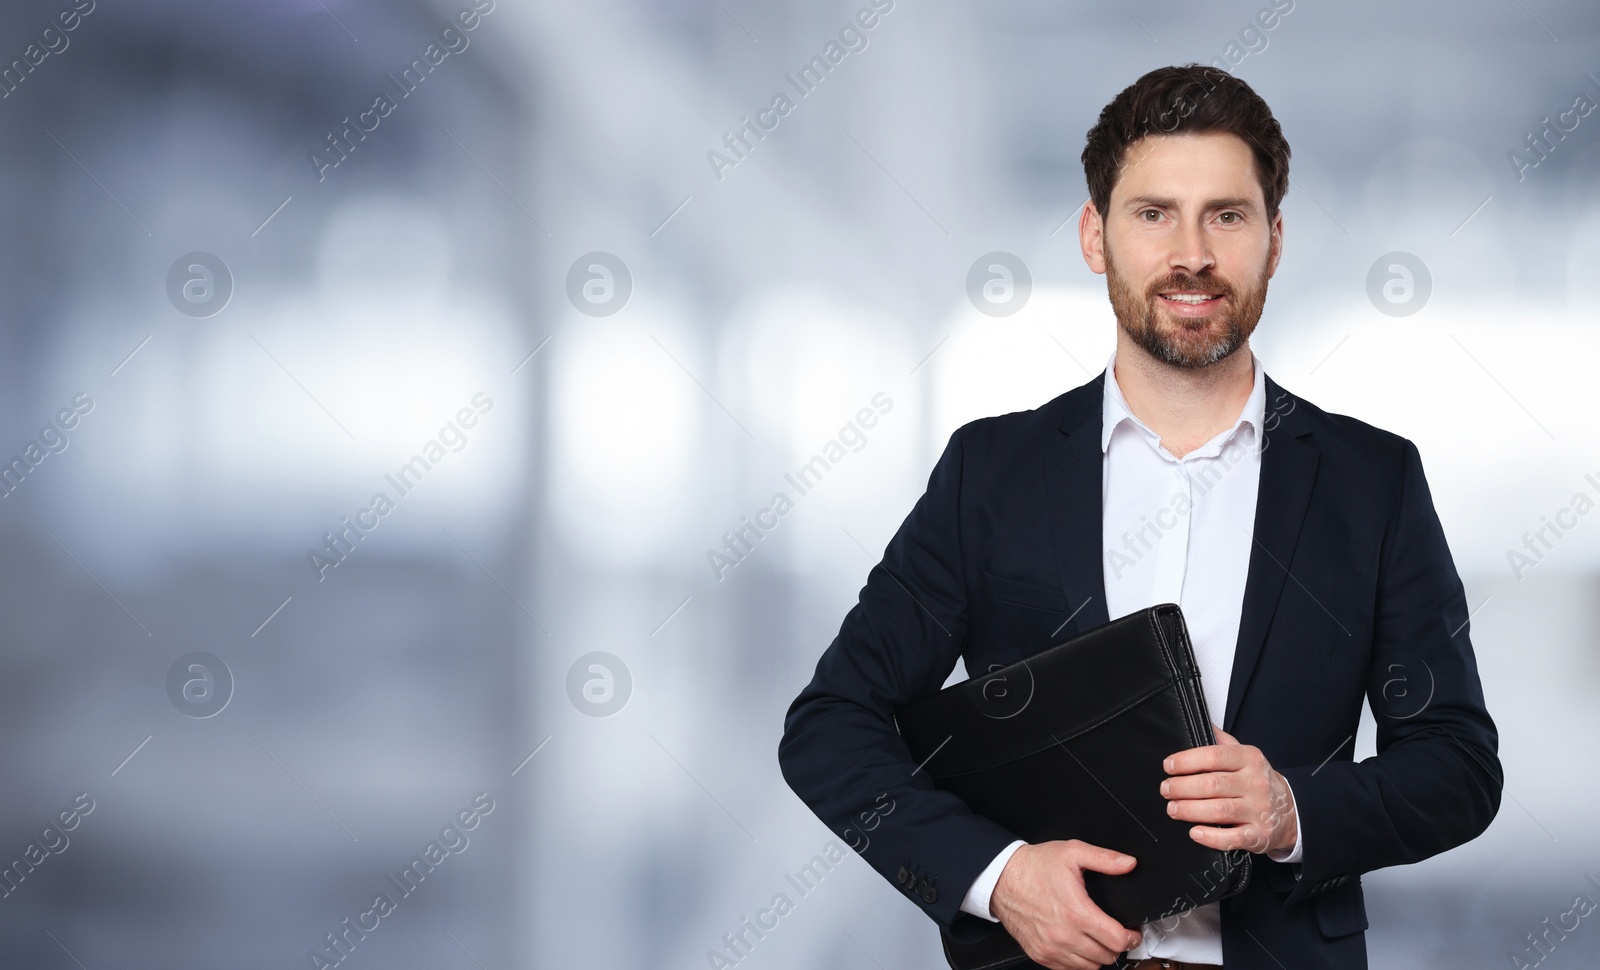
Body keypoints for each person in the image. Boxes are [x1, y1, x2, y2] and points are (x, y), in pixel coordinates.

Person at [777, 63, 1501, 970]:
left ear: (1274, 240)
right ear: (1095, 235)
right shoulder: (991, 473)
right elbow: (831, 725)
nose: (1191, 253)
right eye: (1153, 213)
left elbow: (1458, 764)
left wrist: (1291, 812)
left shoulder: (1372, 481)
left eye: (1226, 216)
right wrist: (998, 877)